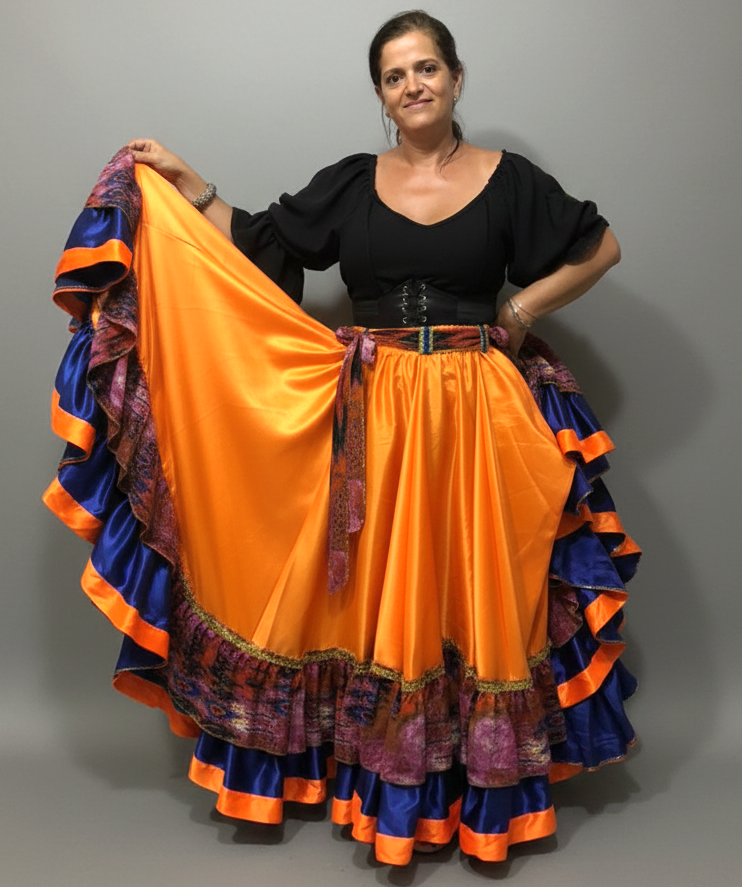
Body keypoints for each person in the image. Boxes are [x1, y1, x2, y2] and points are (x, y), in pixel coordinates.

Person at [46, 9, 639, 868]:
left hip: (478, 411)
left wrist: (519, 308)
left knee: (474, 593)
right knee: (382, 599)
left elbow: (601, 245)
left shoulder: (510, 180)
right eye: (395, 77)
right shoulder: (354, 183)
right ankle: (391, 794)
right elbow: (259, 246)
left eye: (426, 68)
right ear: (382, 97)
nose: (413, 85)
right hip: (375, 416)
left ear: (457, 78)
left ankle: (475, 797)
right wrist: (188, 184)